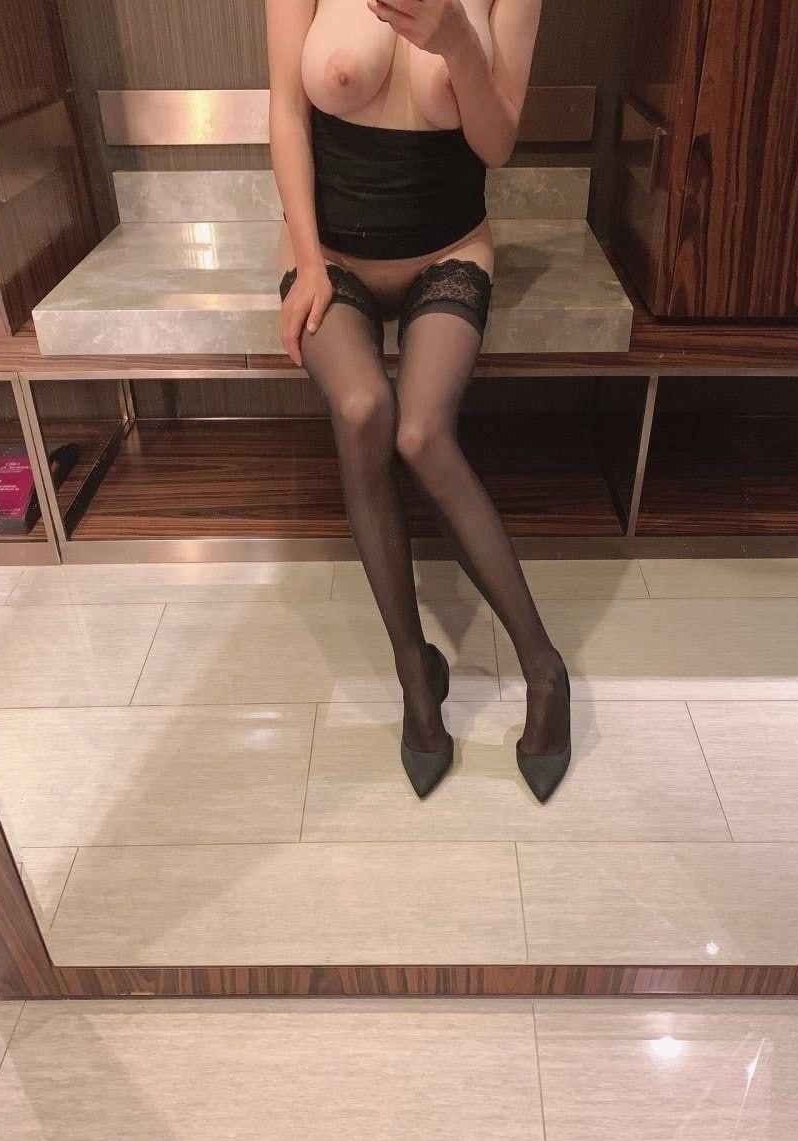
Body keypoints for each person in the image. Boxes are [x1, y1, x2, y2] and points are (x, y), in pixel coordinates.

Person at [266, 0, 571, 800]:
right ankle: (414, 669)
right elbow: (286, 113)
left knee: (422, 432)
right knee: (363, 409)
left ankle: (544, 668)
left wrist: (458, 41)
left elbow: (497, 143)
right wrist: (308, 261)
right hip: (330, 254)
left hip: (449, 246)